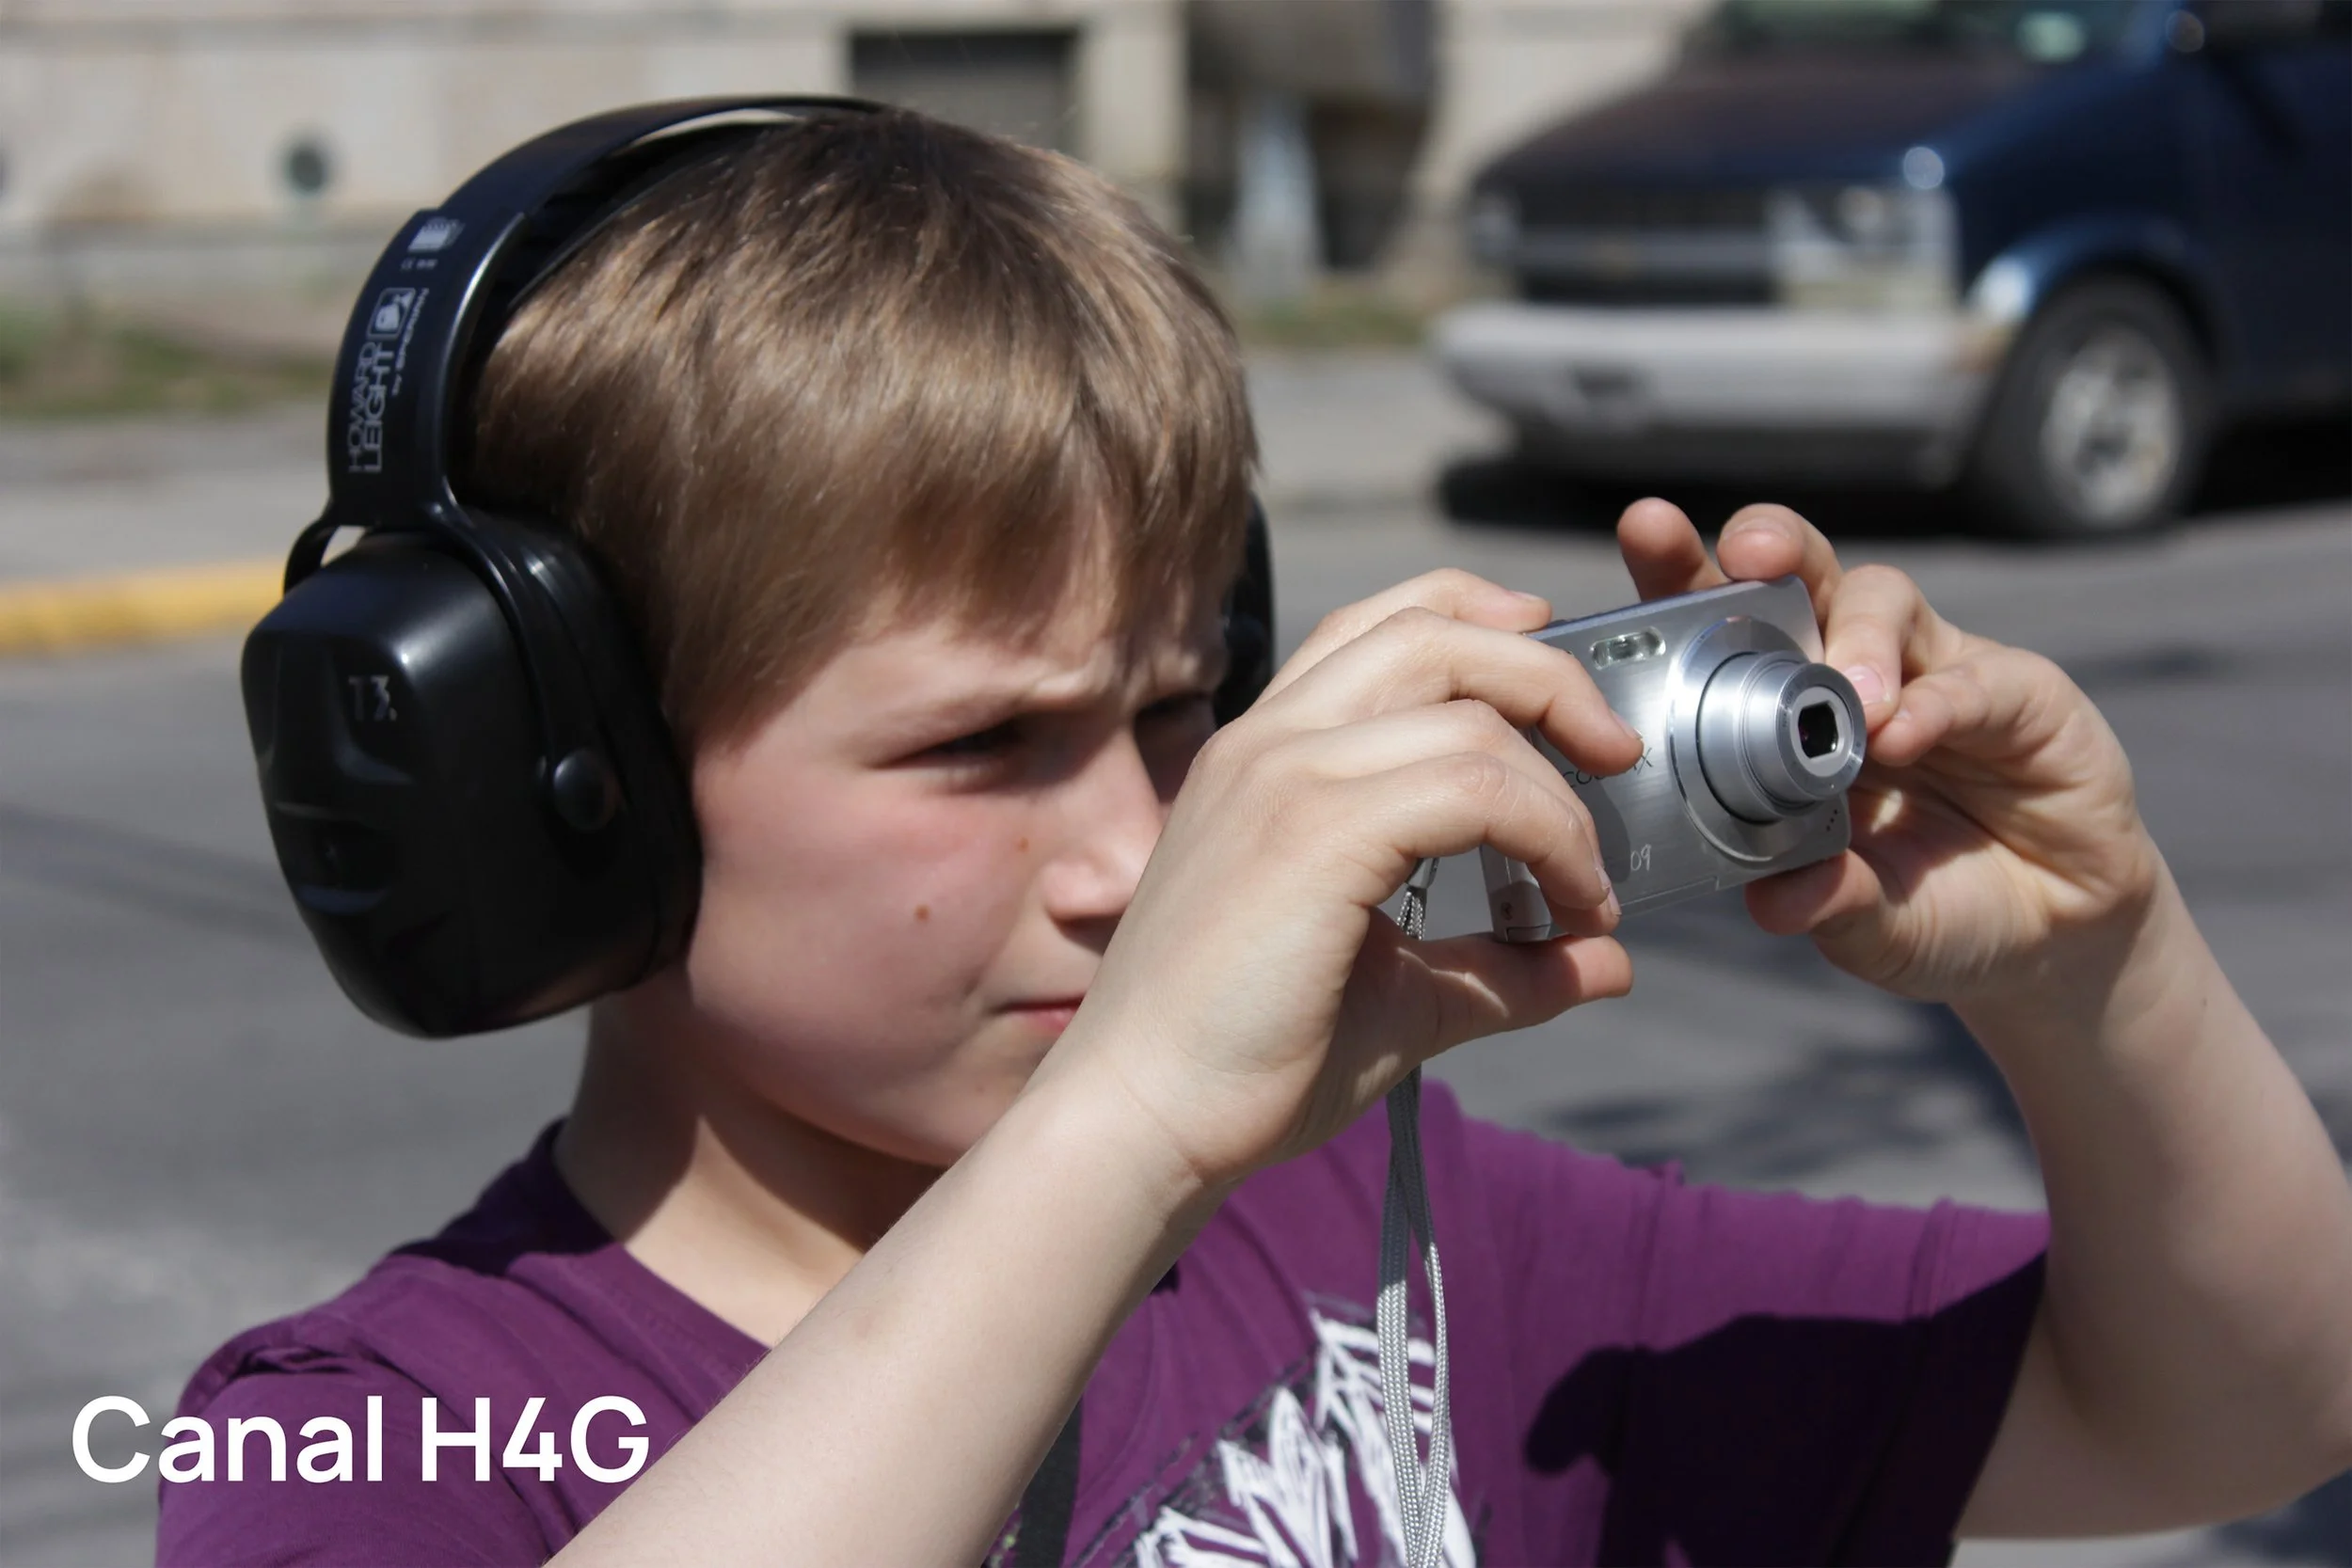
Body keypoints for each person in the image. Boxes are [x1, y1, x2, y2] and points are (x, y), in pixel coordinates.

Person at [158, 108, 2352, 1567]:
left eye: (1180, 705)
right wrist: (1117, 1130)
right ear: (562, 780)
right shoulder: (371, 1425)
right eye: (982, 744)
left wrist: (2097, 970)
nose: (1135, 850)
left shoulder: (1394, 1247)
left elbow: (2244, 1403)